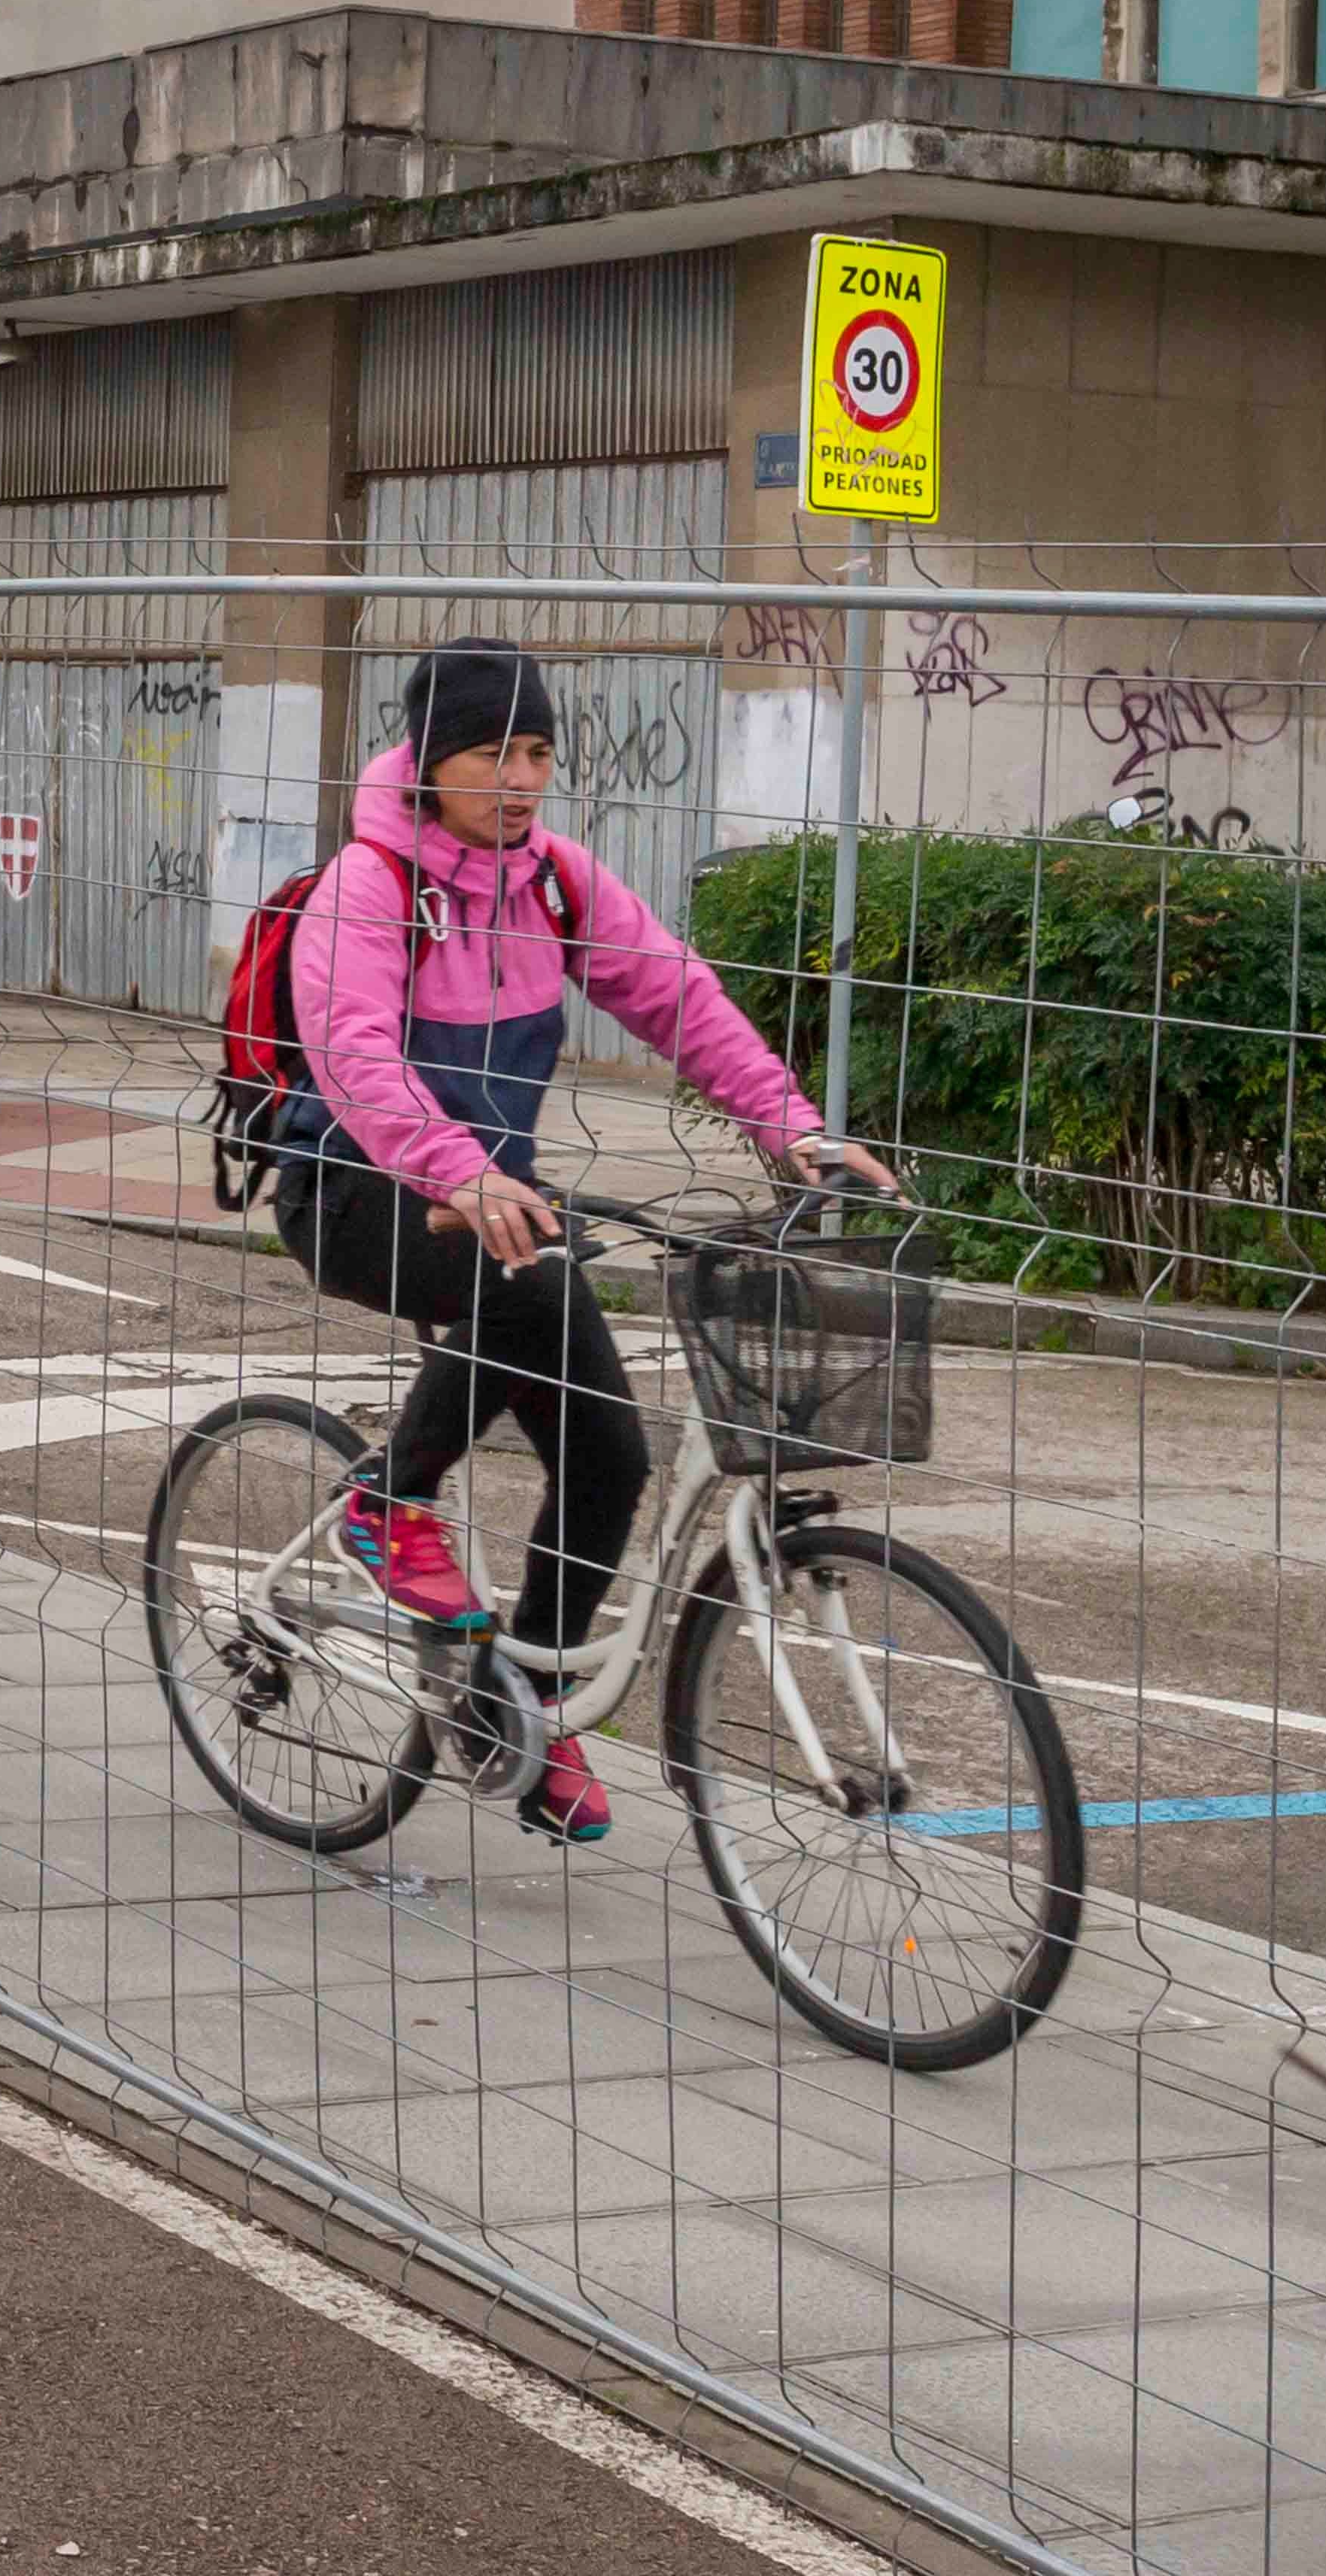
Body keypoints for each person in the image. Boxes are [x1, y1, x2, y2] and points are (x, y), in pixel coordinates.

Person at [278, 637, 899, 1843]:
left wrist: (790, 1127)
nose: (520, 779)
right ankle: (386, 1502)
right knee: (533, 1276)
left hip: (489, 1205)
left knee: (612, 1456)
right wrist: (454, 1168)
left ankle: (524, 1711)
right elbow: (356, 1052)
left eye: (538, 752)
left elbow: (675, 992)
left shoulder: (556, 883)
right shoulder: (368, 884)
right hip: (354, 1184)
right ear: (426, 762)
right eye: (491, 753)